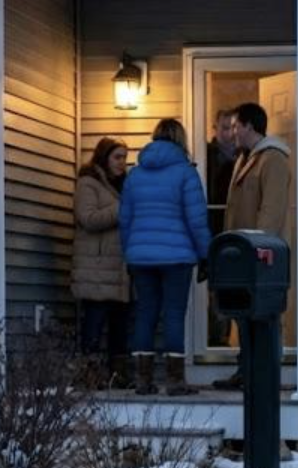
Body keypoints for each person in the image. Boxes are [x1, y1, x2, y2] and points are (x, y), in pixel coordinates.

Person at [119, 117, 211, 396]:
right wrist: (206, 254)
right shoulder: (186, 173)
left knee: (145, 313)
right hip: (177, 257)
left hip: (140, 257)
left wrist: (129, 251)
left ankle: (143, 380)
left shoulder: (135, 175)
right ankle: (175, 381)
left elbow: (125, 219)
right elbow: (197, 220)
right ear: (180, 139)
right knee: (173, 315)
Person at [212, 102, 291, 390]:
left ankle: (265, 375)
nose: (232, 132)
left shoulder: (273, 159)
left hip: (262, 255)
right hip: (240, 254)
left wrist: (259, 248)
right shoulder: (244, 160)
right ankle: (245, 371)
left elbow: (272, 211)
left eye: (236, 126)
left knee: (265, 314)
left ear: (249, 126)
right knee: (243, 313)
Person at [71, 136, 131, 386]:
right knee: (94, 323)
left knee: (120, 324)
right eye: (117, 157)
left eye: (124, 158)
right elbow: (88, 218)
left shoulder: (124, 186)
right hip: (95, 269)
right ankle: (89, 376)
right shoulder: (88, 183)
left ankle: (118, 376)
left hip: (119, 270)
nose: (122, 163)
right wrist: (121, 209)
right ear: (104, 157)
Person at [206, 108, 238, 237]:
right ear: (215, 128)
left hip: (238, 219)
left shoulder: (246, 154)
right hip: (213, 218)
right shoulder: (205, 155)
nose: (230, 134)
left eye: (234, 128)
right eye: (225, 128)